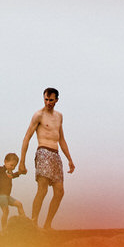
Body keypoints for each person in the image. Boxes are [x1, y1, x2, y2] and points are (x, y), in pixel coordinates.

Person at [18, 87, 75, 230]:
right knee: (42, 189)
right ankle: (34, 222)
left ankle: (48, 224)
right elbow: (27, 137)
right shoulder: (39, 115)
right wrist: (22, 161)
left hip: (55, 154)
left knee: (60, 191)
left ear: (56, 100)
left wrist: (69, 159)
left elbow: (61, 139)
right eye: (46, 99)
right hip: (43, 151)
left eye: (51, 100)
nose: (48, 102)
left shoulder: (59, 116)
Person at [0, 153, 27, 231]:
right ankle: (4, 229)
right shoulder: (0, 169)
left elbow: (13, 175)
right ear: (5, 161)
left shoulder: (10, 172)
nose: (13, 167)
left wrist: (21, 172)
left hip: (7, 196)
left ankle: (25, 221)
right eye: (11, 165)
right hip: (1, 195)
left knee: (19, 204)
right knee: (6, 211)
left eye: (14, 166)